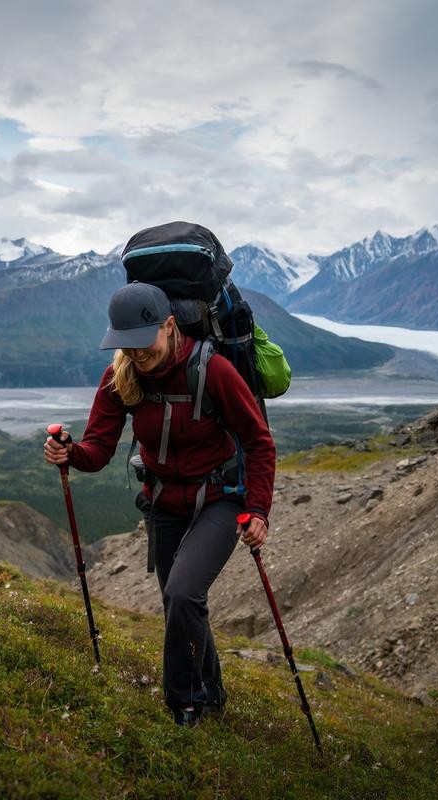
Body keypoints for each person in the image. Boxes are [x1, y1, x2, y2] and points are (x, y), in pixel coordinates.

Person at [44, 280, 276, 726]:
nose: (136, 353)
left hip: (221, 499)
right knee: (179, 603)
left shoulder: (213, 371)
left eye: (142, 341)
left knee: (184, 592)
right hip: (163, 499)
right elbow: (98, 450)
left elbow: (259, 442)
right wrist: (69, 452)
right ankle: (212, 694)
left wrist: (259, 509)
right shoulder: (121, 376)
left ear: (169, 326)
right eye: (125, 344)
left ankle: (183, 704)